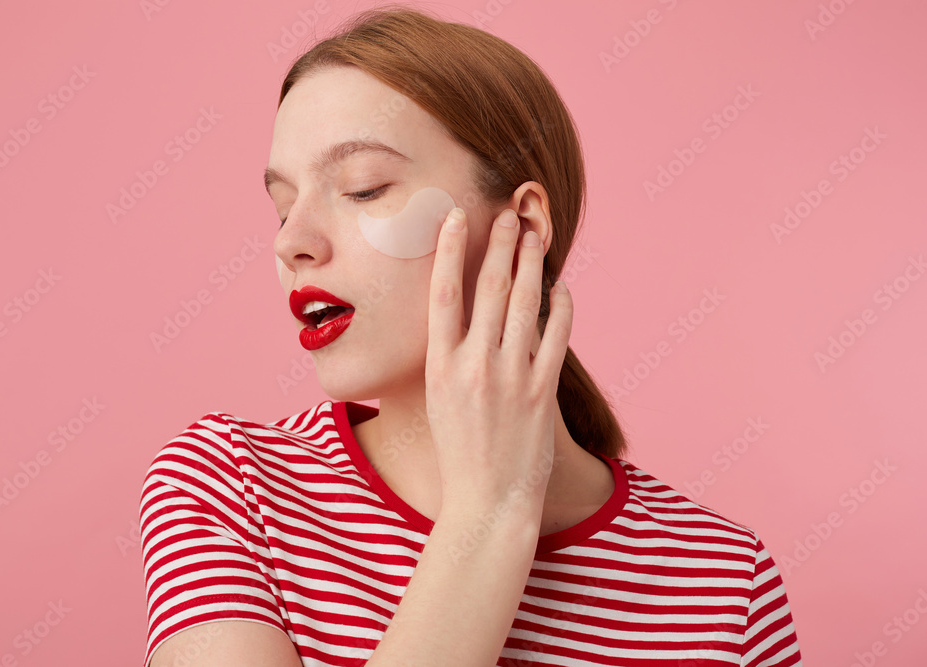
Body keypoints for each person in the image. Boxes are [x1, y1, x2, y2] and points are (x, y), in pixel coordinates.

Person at [138, 6, 803, 666]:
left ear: (523, 227)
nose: (291, 242)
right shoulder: (228, 486)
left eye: (364, 189)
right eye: (283, 207)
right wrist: (489, 511)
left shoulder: (724, 580)